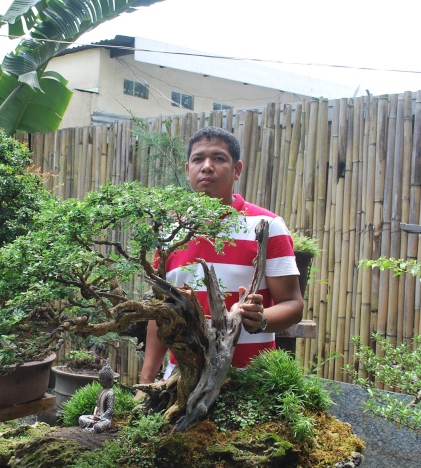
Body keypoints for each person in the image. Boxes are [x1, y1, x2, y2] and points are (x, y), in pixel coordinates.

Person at [139, 126, 304, 384]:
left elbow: (294, 304)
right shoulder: (169, 231)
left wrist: (261, 319)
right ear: (187, 170)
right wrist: (147, 380)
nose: (206, 166)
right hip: (181, 384)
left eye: (218, 158)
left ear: (237, 169)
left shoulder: (267, 225)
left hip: (250, 384)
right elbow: (160, 313)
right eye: (198, 159)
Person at [78, 362, 116, 433]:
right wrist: (94, 415)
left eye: (101, 379)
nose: (99, 380)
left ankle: (95, 426)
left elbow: (110, 410)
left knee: (98, 427)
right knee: (81, 418)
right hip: (97, 418)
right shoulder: (100, 392)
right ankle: (93, 424)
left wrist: (101, 417)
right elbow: (97, 406)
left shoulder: (110, 393)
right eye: (100, 378)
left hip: (105, 419)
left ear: (108, 380)